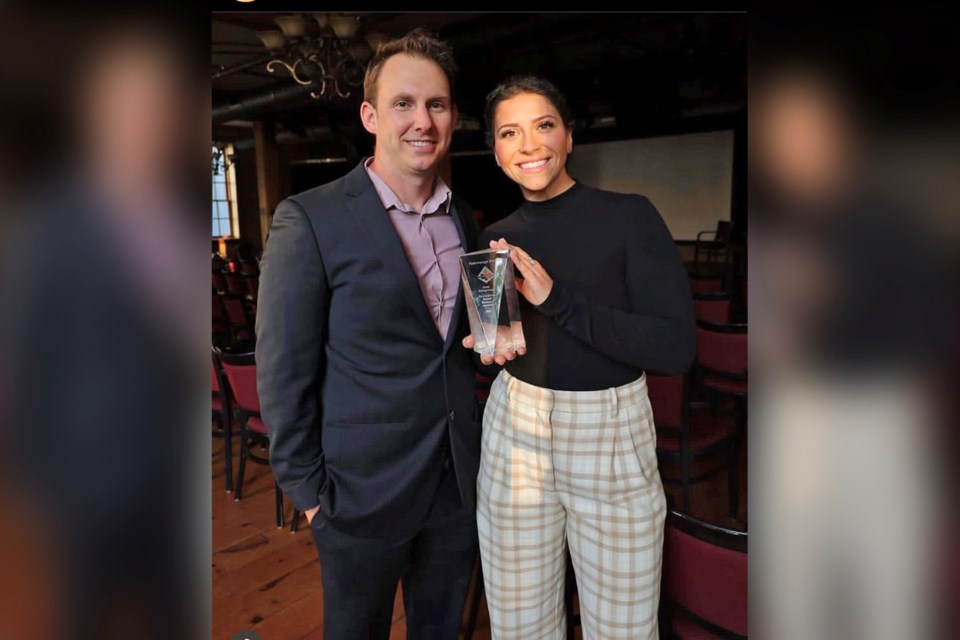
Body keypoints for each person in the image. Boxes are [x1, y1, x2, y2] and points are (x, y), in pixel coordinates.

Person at [255, 28, 482, 640]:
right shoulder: (310, 218)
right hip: (358, 490)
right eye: (403, 104)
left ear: (453, 117)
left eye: (436, 104)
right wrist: (308, 492)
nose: (422, 121)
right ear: (369, 115)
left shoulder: (465, 218)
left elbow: (454, 350)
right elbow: (282, 370)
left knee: (440, 629)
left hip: (456, 482)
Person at [464, 75, 696, 638]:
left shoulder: (630, 216)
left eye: (544, 126)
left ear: (568, 137)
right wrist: (487, 346)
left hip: (610, 429)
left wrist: (557, 300)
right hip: (513, 426)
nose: (529, 145)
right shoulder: (494, 238)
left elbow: (675, 347)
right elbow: (490, 354)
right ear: (496, 153)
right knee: (519, 624)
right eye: (509, 133)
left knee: (623, 626)